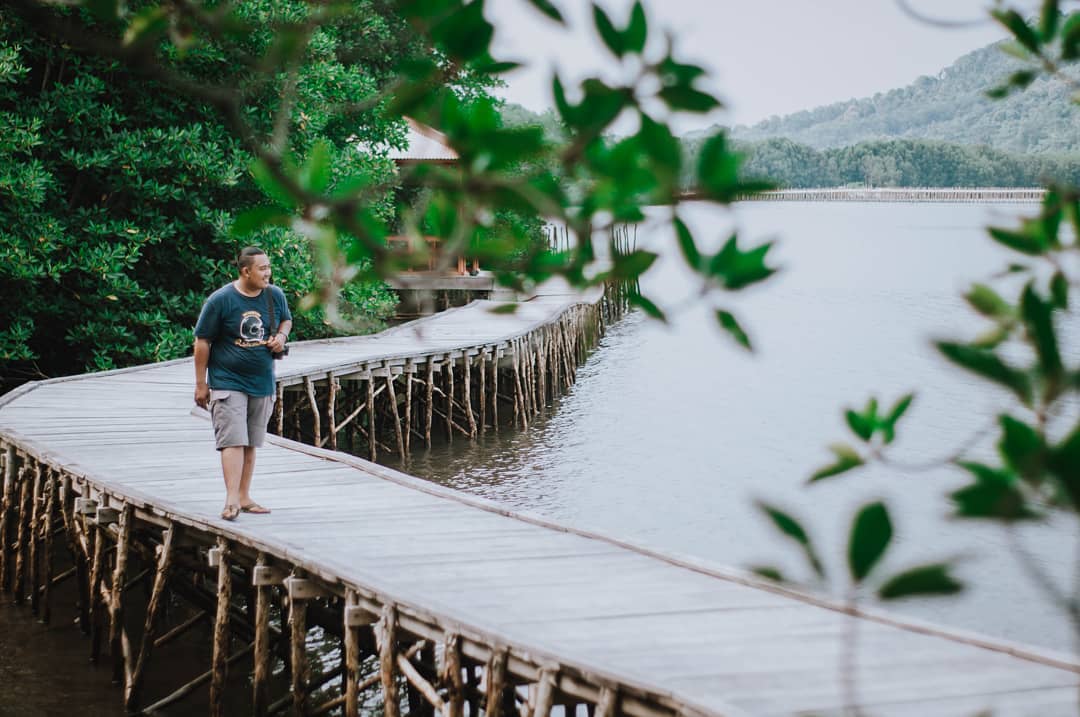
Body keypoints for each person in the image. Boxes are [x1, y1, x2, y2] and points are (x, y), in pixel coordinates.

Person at [193, 246, 292, 521]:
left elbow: (286, 320)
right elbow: (202, 341)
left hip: (262, 382)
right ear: (245, 271)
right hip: (227, 381)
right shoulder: (221, 300)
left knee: (251, 441)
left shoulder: (274, 295)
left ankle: (245, 496)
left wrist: (281, 338)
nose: (268, 273)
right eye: (262, 268)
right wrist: (201, 384)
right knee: (232, 440)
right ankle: (231, 500)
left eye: (269, 267)